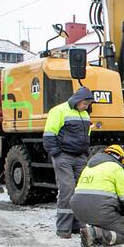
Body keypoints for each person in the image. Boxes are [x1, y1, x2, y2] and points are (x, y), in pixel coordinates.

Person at [43, 86, 94, 238]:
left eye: (88, 105)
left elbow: (87, 135)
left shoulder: (84, 114)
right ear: (78, 100)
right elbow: (49, 135)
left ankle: (76, 225)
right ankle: (63, 228)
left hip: (80, 157)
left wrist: (85, 152)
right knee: (67, 189)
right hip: (64, 156)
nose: (86, 107)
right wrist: (57, 154)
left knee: (80, 191)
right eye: (85, 104)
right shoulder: (58, 111)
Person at [71, 145, 124, 247]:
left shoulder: (88, 166)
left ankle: (92, 231)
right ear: (121, 158)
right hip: (100, 209)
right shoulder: (116, 168)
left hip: (78, 210)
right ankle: (95, 233)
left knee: (102, 219)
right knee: (123, 235)